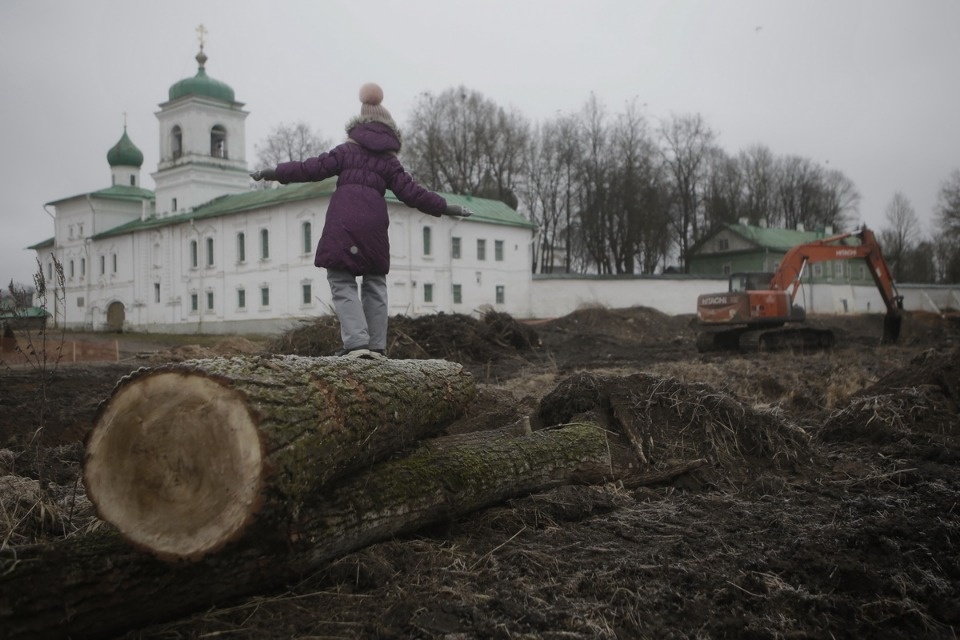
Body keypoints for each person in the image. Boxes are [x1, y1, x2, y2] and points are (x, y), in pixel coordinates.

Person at [251, 83, 472, 359]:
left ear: (360, 121)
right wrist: (447, 207)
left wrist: (273, 172)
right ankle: (377, 346)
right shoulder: (391, 162)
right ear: (388, 127)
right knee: (375, 282)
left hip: (344, 221)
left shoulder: (346, 151)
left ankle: (356, 344)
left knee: (342, 280)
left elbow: (310, 169)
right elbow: (413, 194)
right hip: (375, 227)